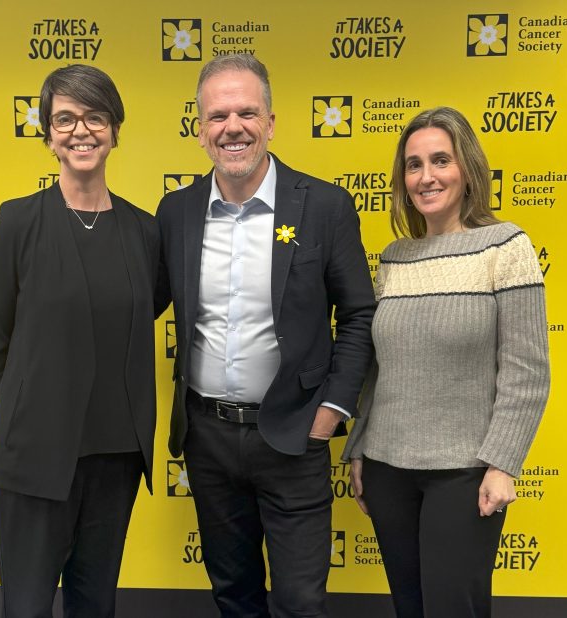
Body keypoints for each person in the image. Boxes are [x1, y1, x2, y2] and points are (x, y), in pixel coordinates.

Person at [154, 54, 375, 617]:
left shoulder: (323, 206)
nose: (233, 127)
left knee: (301, 602)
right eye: (218, 115)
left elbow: (357, 314)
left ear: (271, 122)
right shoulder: (176, 212)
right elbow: (135, 301)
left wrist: (332, 408)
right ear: (201, 130)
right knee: (234, 596)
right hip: (208, 438)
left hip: (295, 435)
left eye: (247, 112)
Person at [343, 106, 550, 618]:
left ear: (467, 170)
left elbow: (527, 371)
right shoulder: (395, 259)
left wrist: (504, 463)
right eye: (413, 165)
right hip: (389, 470)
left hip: (464, 473)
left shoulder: (507, 247)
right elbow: (377, 368)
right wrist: (358, 448)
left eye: (440, 160)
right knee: (409, 608)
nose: (426, 176)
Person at [0, 64, 159, 618]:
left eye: (95, 117)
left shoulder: (144, 231)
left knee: (94, 603)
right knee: (26, 607)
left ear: (115, 129)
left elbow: (148, 306)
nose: (81, 131)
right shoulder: (17, 223)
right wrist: (22, 421)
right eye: (66, 119)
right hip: (34, 456)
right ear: (48, 134)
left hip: (115, 457)